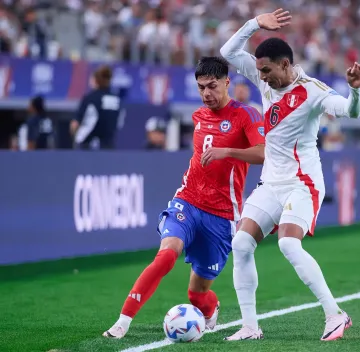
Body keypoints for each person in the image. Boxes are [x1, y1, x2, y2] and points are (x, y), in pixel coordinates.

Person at [220, 9, 360, 341]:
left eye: (268, 70)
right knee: (241, 243)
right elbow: (228, 53)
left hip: (303, 183)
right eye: (259, 71)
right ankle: (249, 325)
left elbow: (351, 112)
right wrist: (255, 24)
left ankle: (335, 314)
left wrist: (355, 90)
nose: (262, 77)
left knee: (288, 242)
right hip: (271, 182)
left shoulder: (314, 91)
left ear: (285, 65)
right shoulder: (263, 76)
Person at [103, 56, 265, 339]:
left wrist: (227, 153)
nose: (206, 94)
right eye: (201, 87)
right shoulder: (199, 115)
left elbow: (263, 153)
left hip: (221, 216)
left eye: (212, 86)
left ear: (227, 82)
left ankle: (210, 308)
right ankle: (122, 321)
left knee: (197, 294)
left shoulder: (247, 115)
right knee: (166, 256)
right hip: (188, 202)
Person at [70, 65, 123, 150]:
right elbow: (119, 124)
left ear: (95, 80)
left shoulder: (90, 98)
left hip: (87, 146)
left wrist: (75, 137)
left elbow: (75, 124)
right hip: (108, 147)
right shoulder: (117, 99)